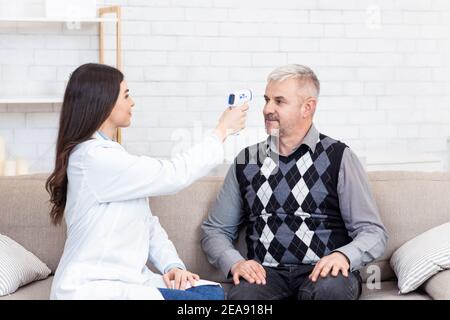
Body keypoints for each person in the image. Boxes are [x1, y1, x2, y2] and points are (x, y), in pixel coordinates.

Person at [46, 63, 248, 300]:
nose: (132, 103)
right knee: (204, 300)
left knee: (211, 292)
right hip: (91, 287)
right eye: (126, 95)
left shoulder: (113, 155)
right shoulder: (93, 158)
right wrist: (221, 130)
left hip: (128, 280)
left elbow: (147, 224)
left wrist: (173, 266)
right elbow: (173, 174)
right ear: (105, 102)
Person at [201, 64, 388, 300]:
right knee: (244, 298)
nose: (267, 109)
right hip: (265, 275)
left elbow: (372, 231)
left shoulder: (339, 157)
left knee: (329, 291)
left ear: (307, 107)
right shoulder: (246, 161)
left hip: (325, 273)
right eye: (267, 99)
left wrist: (344, 256)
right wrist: (235, 262)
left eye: (279, 101)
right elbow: (215, 230)